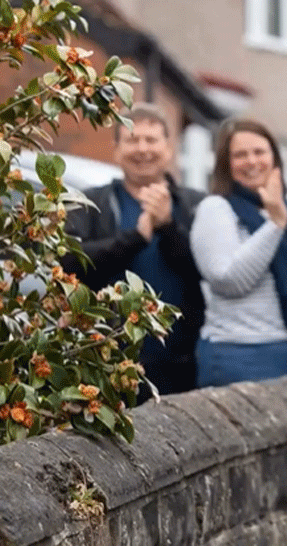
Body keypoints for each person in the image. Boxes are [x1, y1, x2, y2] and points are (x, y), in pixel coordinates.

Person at [63, 102, 205, 402]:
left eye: (151, 140)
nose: (142, 149)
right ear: (116, 150)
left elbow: (206, 269)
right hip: (106, 361)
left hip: (180, 364)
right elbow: (70, 263)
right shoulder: (91, 203)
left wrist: (168, 227)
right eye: (132, 139)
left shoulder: (195, 205)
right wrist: (135, 238)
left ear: (169, 149)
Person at [189, 119, 287, 387]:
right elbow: (228, 280)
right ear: (226, 164)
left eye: (259, 152)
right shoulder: (215, 209)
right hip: (242, 355)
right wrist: (275, 225)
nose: (252, 161)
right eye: (240, 155)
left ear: (274, 158)